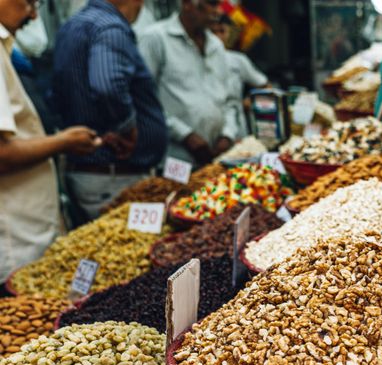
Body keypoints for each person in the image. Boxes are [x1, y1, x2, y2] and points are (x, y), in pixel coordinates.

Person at [0, 0, 101, 282]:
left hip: (26, 235)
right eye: (30, 2)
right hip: (15, 243)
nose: (33, 15)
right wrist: (64, 141)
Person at [52, 0, 168, 221]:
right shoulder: (110, 27)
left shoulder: (73, 25)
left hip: (93, 173)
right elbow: (108, 85)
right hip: (111, 175)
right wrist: (126, 128)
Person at [138, 0, 238, 165]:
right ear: (187, 4)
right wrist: (185, 135)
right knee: (176, 191)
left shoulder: (216, 46)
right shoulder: (155, 38)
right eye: (211, 4)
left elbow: (229, 99)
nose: (218, 11)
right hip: (174, 158)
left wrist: (227, 135)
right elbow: (143, 100)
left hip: (214, 157)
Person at [210, 15, 267, 139]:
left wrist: (249, 101)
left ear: (229, 33)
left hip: (236, 124)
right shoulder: (199, 60)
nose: (217, 36)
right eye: (213, 32)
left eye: (222, 31)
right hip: (208, 123)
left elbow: (264, 85)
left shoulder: (237, 60)